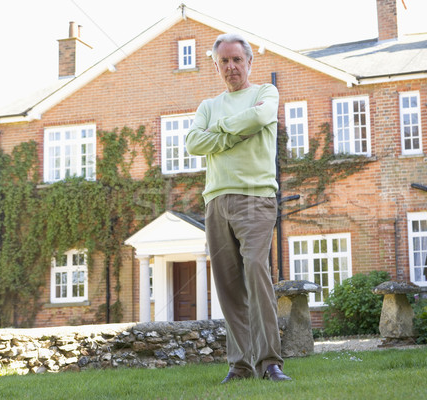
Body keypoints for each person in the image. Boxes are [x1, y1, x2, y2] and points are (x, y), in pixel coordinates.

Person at [185, 33, 291, 383]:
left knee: (256, 273)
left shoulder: (265, 93)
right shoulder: (207, 105)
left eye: (236, 60)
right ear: (216, 65)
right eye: (224, 61)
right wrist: (234, 132)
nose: (231, 67)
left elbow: (260, 119)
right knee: (228, 284)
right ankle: (240, 364)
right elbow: (193, 143)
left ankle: (270, 363)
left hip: (256, 198)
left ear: (249, 62)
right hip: (216, 201)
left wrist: (220, 133)